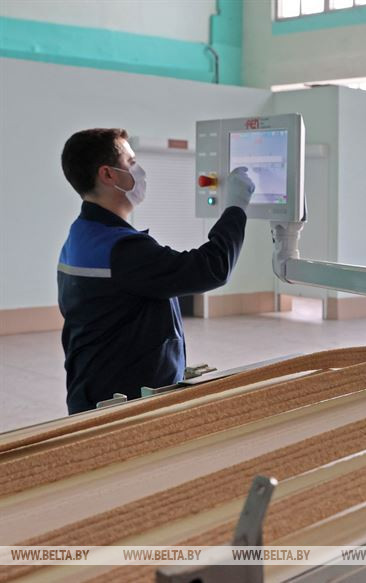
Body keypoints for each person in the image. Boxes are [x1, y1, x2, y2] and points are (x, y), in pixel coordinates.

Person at [58, 128, 255, 414]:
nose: (139, 171)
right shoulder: (121, 249)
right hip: (122, 404)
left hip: (92, 390)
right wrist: (236, 207)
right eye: (131, 162)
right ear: (108, 174)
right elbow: (212, 268)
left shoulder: (82, 234)